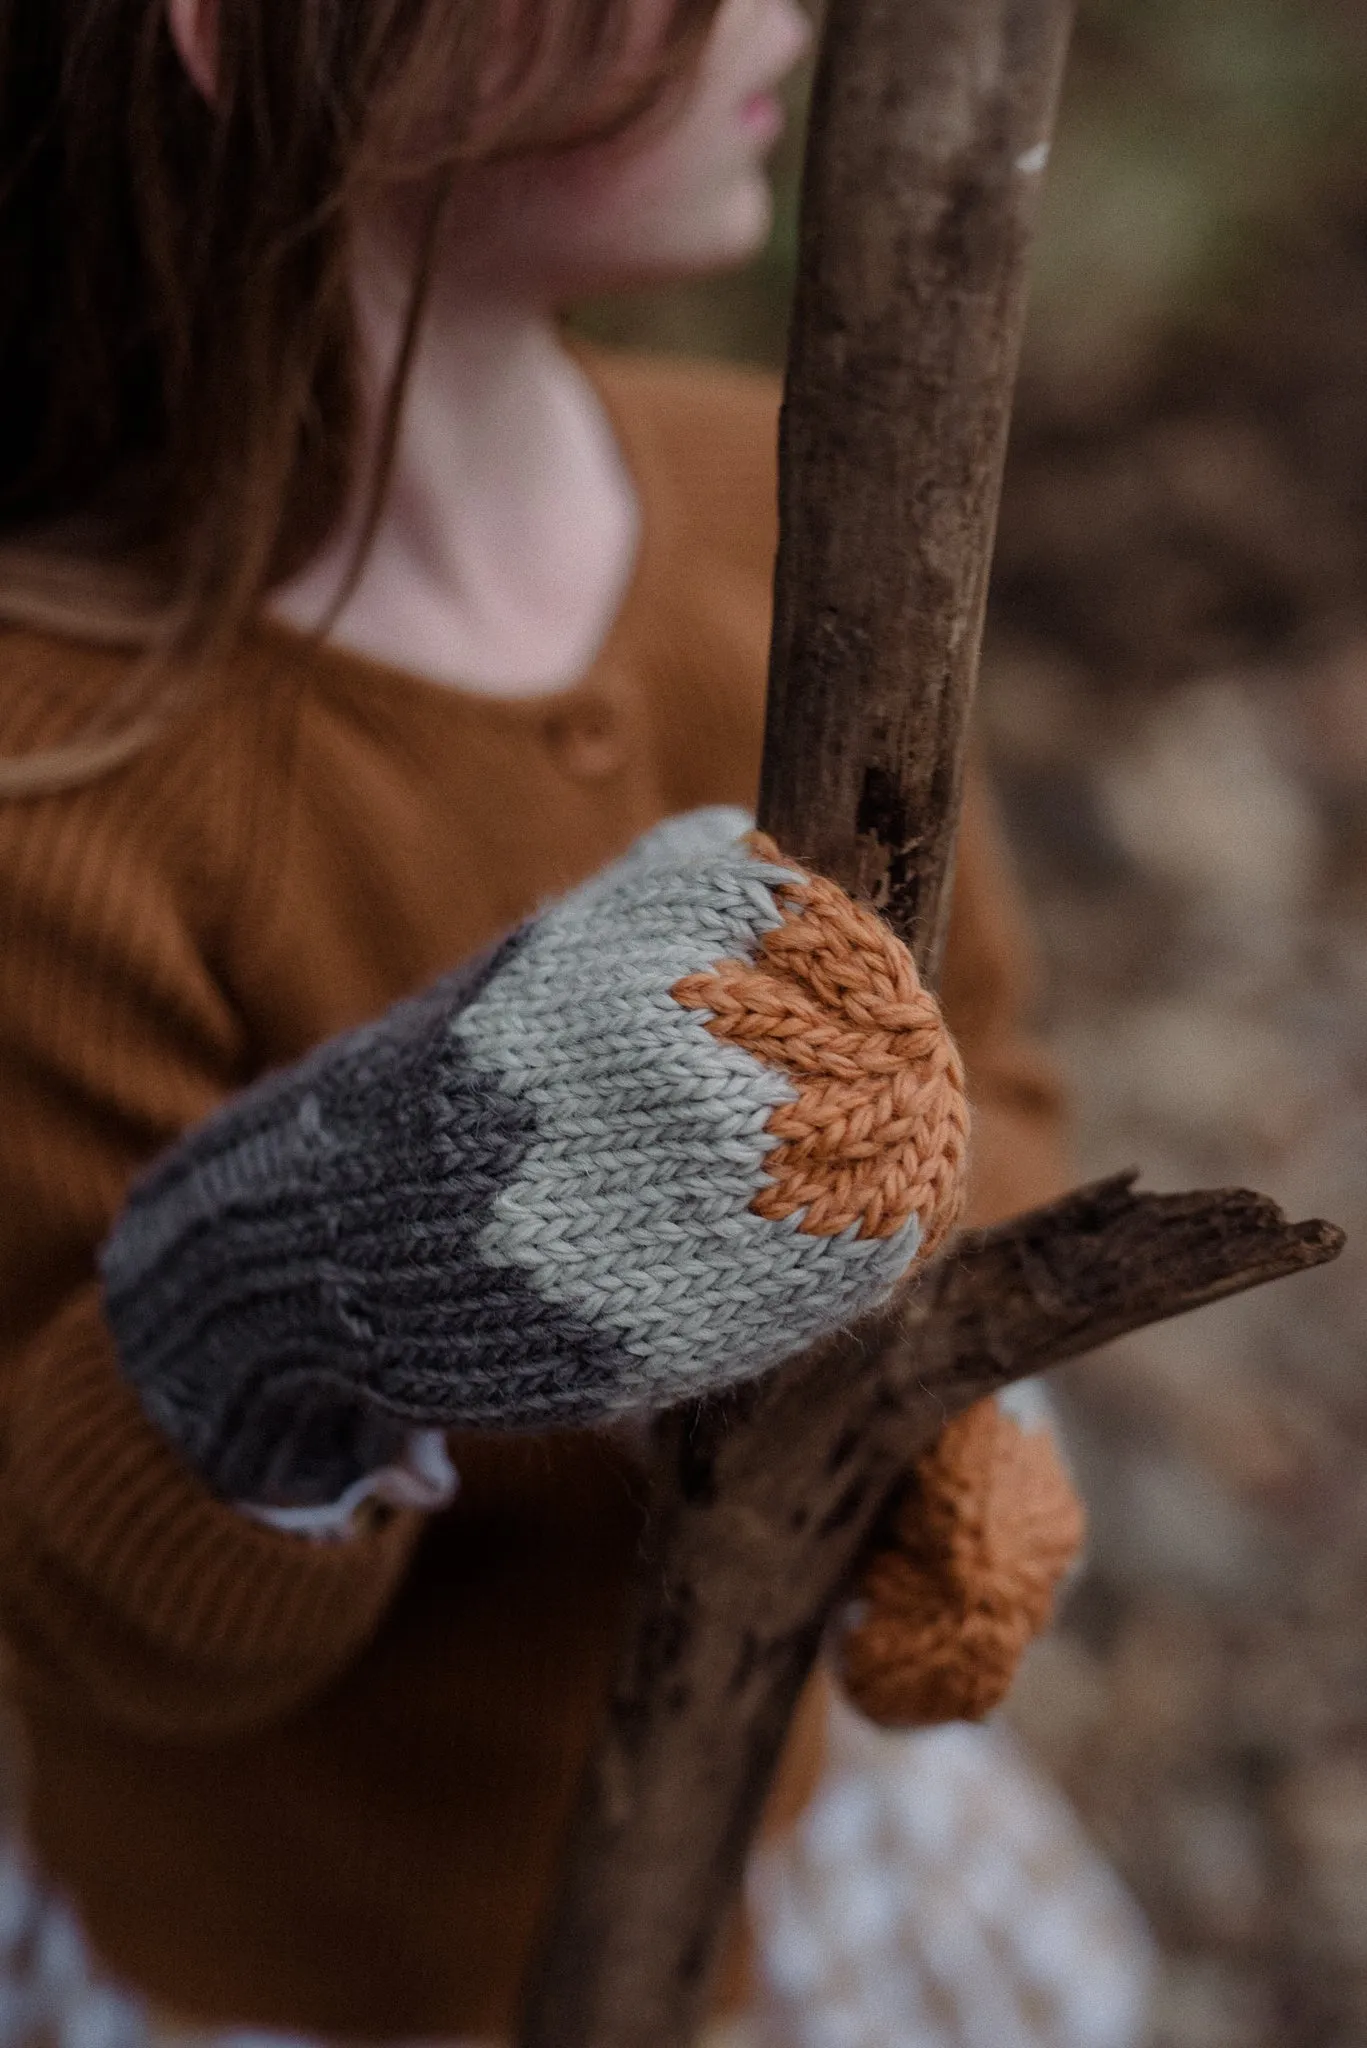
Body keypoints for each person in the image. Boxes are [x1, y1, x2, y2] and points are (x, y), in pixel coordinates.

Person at [0, 0, 1085, 2039]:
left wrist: (942, 1377)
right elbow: (83, 1618)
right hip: (338, 1957)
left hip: (788, 1832)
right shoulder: (52, 787)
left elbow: (990, 1074)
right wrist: (281, 1286)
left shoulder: (796, 506)